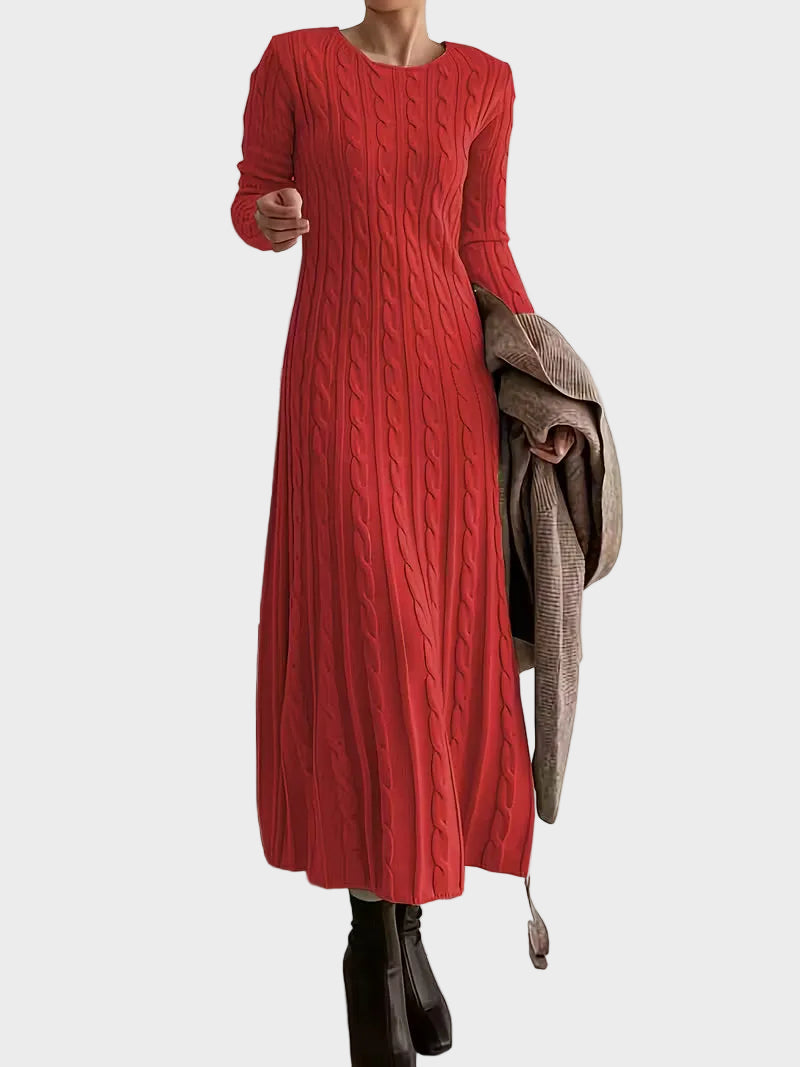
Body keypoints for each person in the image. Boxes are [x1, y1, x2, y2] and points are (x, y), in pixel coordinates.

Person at [231, 8, 570, 1064]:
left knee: (433, 655)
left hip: (446, 394)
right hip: (335, 379)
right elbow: (251, 198)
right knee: (373, 648)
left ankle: (409, 923)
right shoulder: (293, 62)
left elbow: (482, 242)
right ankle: (369, 951)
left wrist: (545, 385)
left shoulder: (485, 82)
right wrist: (269, 217)